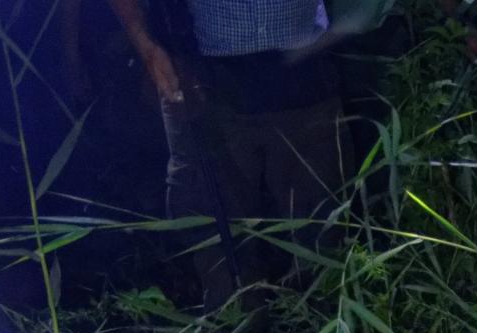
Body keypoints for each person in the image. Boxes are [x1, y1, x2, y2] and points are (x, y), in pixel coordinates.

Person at [106, 0, 354, 316]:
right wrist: (147, 47)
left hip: (305, 68)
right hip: (200, 76)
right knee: (215, 237)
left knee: (323, 230)